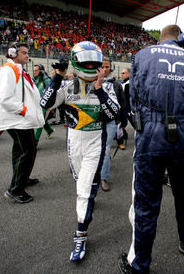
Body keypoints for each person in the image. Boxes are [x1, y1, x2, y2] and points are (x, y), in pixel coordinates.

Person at [118, 24, 184, 274]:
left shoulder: (142, 55)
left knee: (145, 201)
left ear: (161, 38)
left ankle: (140, 265)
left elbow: (132, 97)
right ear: (181, 38)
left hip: (151, 133)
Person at [40, 41, 120, 262]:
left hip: (96, 144)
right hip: (74, 144)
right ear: (76, 62)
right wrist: (57, 75)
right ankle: (90, 199)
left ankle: (80, 234)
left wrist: (100, 90)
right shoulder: (66, 86)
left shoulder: (108, 85)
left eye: (95, 61)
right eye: (87, 61)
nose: (92, 64)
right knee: (80, 184)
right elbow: (45, 104)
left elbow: (114, 114)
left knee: (84, 190)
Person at [0, 43, 45, 204]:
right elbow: (4, 97)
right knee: (27, 152)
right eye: (23, 52)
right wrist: (23, 110)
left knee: (20, 151)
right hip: (17, 120)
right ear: (12, 53)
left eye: (27, 53)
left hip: (21, 119)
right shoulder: (7, 70)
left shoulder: (17, 70)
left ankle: (22, 179)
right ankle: (15, 189)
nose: (27, 55)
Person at [100, 57, 127, 191]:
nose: (105, 69)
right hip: (94, 123)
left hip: (110, 123)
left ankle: (103, 177)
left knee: (105, 150)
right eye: (102, 66)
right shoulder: (92, 82)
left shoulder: (116, 85)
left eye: (107, 67)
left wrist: (123, 122)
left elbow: (122, 104)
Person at [32, 64, 54, 144]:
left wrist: (44, 76)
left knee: (40, 121)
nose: (34, 72)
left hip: (45, 103)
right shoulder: (34, 80)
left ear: (41, 71)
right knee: (42, 119)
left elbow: (50, 86)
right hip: (36, 103)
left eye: (36, 70)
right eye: (34, 70)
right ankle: (49, 130)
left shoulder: (45, 79)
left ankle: (35, 141)